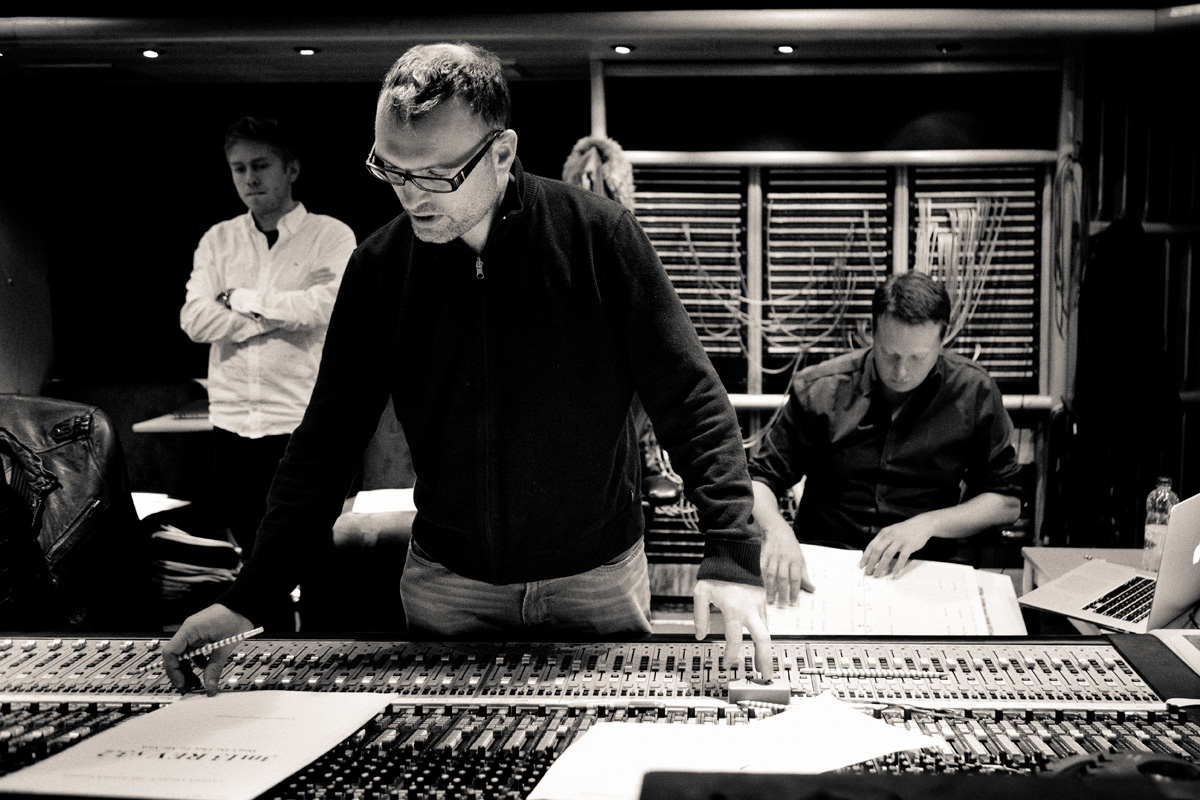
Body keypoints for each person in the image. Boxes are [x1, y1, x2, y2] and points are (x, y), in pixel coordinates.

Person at [165, 43, 771, 694]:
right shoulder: (381, 268)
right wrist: (249, 598)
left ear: (502, 154)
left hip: (594, 577)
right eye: (392, 170)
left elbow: (690, 398)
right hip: (448, 584)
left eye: (435, 175)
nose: (411, 196)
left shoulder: (599, 237)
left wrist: (732, 550)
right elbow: (325, 445)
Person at [749, 271, 1022, 605]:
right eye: (890, 354)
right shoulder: (820, 389)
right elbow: (759, 480)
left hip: (924, 569)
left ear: (943, 339)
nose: (901, 372)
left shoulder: (974, 392)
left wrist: (928, 524)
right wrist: (776, 530)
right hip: (825, 567)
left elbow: (1006, 501)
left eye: (918, 357)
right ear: (871, 332)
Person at [180, 116, 357, 629]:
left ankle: (327, 660)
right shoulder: (219, 239)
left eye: (260, 165)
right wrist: (277, 314)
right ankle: (268, 659)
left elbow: (329, 307)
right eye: (238, 169)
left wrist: (239, 300)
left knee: (316, 554)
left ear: (291, 169)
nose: (249, 178)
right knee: (254, 558)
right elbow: (195, 320)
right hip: (234, 419)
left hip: (299, 418)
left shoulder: (330, 235)